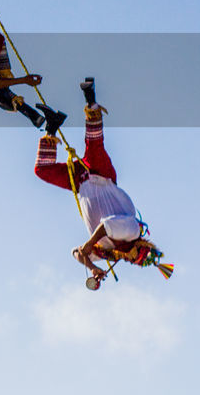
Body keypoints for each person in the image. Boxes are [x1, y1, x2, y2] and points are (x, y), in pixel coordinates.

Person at [32, 78, 172, 288]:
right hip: (101, 175)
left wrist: (91, 266)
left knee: (42, 171)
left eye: (132, 261)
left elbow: (76, 253)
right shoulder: (132, 231)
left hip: (81, 183)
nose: (129, 259)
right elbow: (106, 225)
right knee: (94, 144)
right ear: (140, 246)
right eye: (134, 257)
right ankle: (91, 99)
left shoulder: (108, 253)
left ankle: (51, 126)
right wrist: (89, 246)